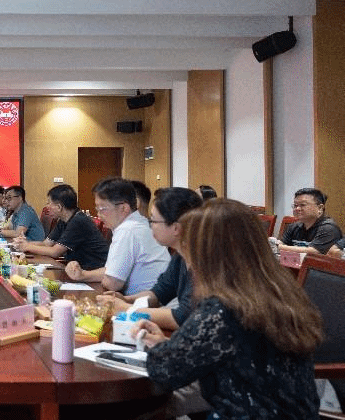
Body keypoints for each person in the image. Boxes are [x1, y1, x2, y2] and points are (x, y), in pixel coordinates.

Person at [133, 199, 324, 420]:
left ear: (207, 252)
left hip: (246, 412)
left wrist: (159, 348)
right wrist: (169, 345)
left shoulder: (223, 308)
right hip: (296, 413)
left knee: (139, 410)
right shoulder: (281, 292)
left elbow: (165, 371)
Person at [97, 187, 202, 330]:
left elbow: (181, 318)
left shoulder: (202, 264)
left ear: (176, 228)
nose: (150, 225)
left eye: (153, 220)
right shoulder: (180, 256)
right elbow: (158, 294)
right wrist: (126, 300)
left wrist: (127, 309)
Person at [66, 177, 169, 295]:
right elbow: (112, 272)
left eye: (102, 209)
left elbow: (112, 283)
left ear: (123, 208)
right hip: (149, 299)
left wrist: (104, 278)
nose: (99, 215)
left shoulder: (127, 230)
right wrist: (82, 275)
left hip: (147, 303)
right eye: (97, 209)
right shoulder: (139, 223)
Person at [14, 184, 107, 270]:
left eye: (49, 203)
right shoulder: (64, 219)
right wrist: (25, 243)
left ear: (59, 207)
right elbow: (46, 244)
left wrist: (27, 247)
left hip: (91, 271)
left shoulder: (78, 221)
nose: (47, 207)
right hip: (76, 268)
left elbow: (55, 252)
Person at [276, 187, 342, 255]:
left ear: (320, 208)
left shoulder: (329, 228)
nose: (297, 209)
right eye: (295, 205)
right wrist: (276, 244)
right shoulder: (293, 227)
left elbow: (313, 252)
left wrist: (278, 247)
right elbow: (282, 244)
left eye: (303, 205)